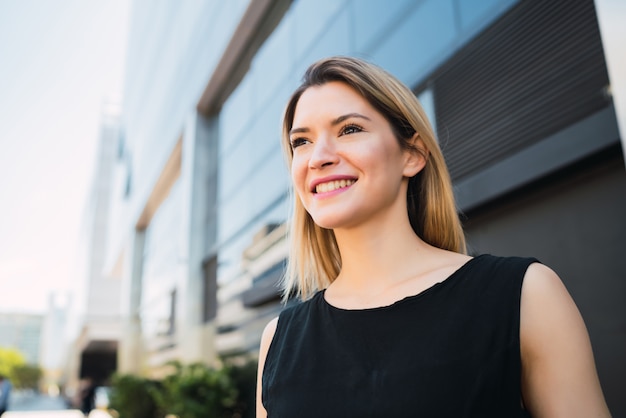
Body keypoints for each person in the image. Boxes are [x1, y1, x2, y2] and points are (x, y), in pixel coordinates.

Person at [256, 56, 611, 417]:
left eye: (349, 130)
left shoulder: (526, 294)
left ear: (412, 154)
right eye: (301, 141)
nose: (318, 157)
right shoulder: (278, 340)